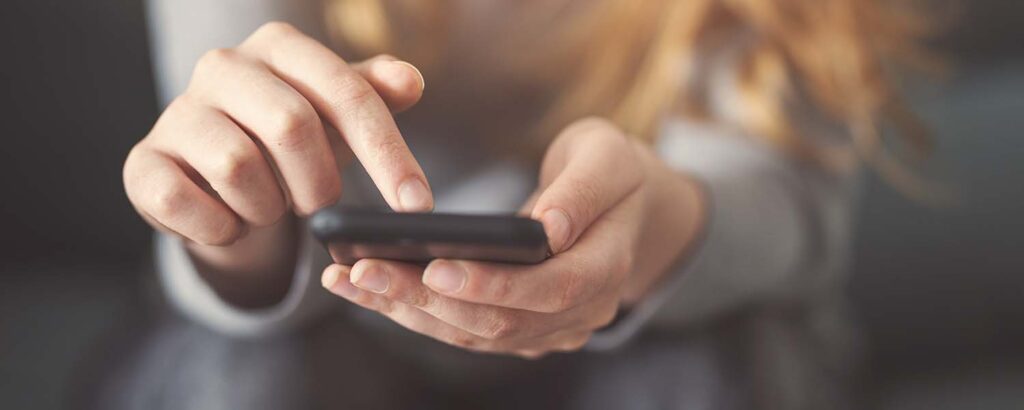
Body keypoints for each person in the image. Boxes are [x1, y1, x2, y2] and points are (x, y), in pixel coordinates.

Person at [113, 0, 933, 408]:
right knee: (248, 377)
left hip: (672, 322)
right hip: (325, 326)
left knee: (706, 371)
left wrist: (656, 224)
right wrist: (233, 224)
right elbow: (235, 205)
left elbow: (791, 214)